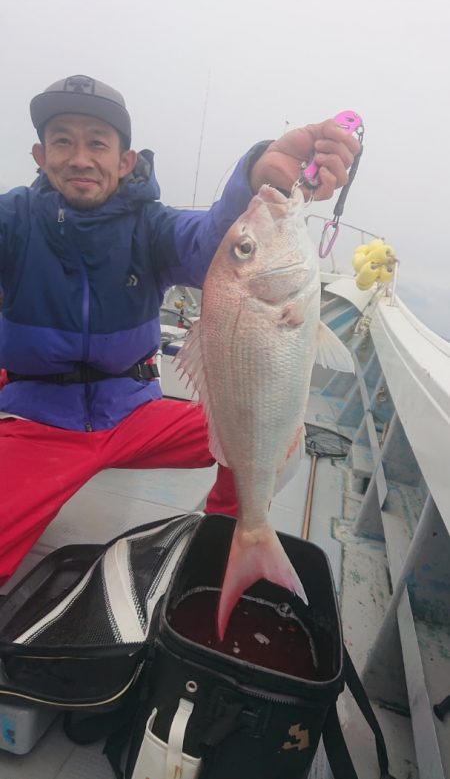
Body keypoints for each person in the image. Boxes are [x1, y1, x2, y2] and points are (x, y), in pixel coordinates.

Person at [0, 75, 360, 586]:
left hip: (135, 414)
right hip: (41, 422)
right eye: (63, 140)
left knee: (271, 438)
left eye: (97, 143)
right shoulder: (12, 221)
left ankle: (227, 535)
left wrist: (262, 170)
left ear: (125, 160)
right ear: (41, 155)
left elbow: (215, 242)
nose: (80, 157)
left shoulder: (152, 227)